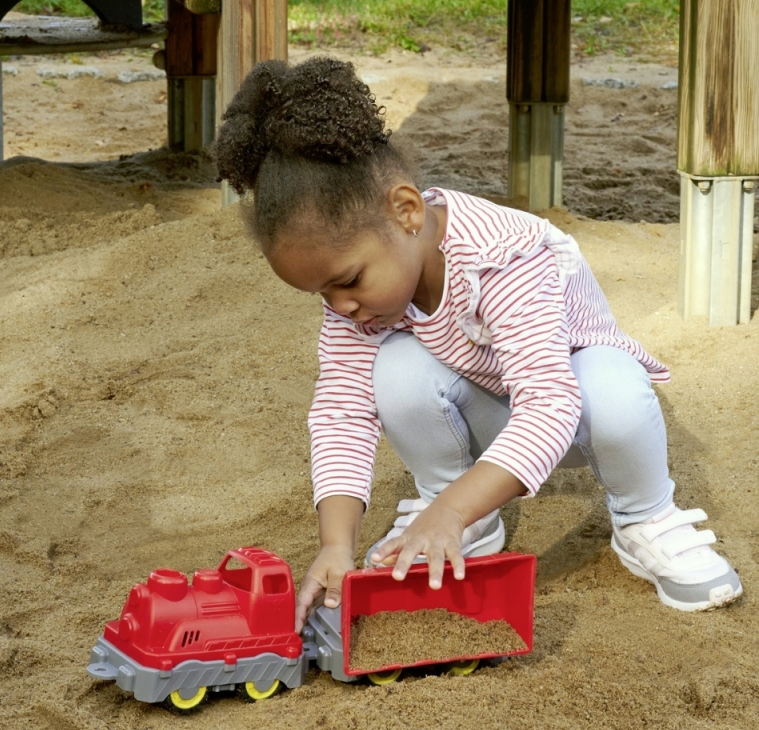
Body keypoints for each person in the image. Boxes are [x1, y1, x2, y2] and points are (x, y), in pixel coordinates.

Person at [211, 56, 743, 633]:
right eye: (320, 292)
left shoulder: (503, 255)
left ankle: (647, 518)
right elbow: (341, 411)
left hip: (575, 407)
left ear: (407, 211)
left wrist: (450, 510)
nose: (340, 306)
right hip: (495, 415)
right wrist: (337, 544)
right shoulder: (360, 298)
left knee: (612, 384)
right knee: (394, 368)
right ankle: (464, 523)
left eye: (348, 280)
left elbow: (550, 404)